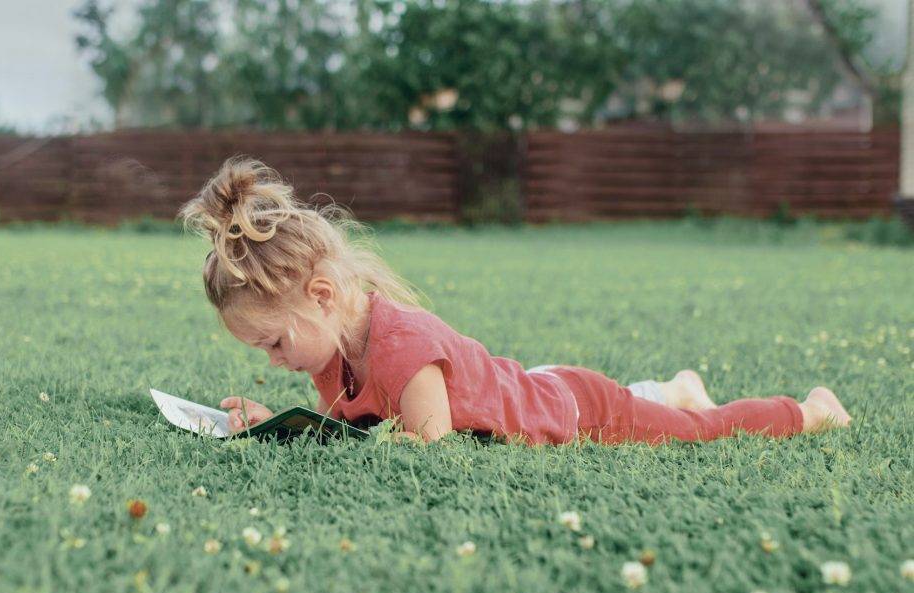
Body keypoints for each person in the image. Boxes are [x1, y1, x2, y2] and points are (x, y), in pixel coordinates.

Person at [180, 157, 851, 446]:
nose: (273, 359)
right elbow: (345, 431)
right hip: (532, 386)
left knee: (696, 433)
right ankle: (674, 386)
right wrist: (276, 423)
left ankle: (810, 410)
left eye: (273, 342)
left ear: (322, 295)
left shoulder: (405, 350)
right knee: (607, 399)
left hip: (578, 407)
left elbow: (427, 446)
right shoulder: (328, 357)